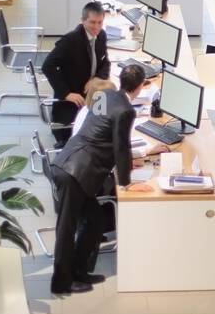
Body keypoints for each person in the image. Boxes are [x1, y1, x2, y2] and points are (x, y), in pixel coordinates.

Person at [49, 64, 157, 295]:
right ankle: (61, 282)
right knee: (66, 230)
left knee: (95, 222)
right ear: (140, 87)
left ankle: (79, 270)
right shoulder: (126, 110)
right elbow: (121, 146)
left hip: (72, 161)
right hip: (75, 172)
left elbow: (95, 127)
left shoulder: (105, 95)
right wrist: (127, 183)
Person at [41, 2, 111, 145]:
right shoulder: (71, 40)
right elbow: (47, 66)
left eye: (100, 22)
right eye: (92, 22)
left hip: (92, 95)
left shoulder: (101, 36)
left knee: (112, 114)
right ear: (83, 20)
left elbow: (105, 63)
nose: (97, 27)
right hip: (72, 103)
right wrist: (66, 94)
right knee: (105, 127)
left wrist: (96, 79)